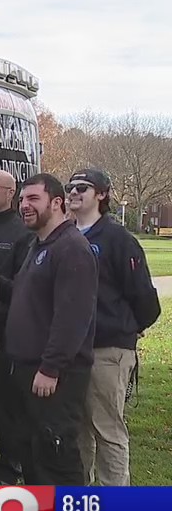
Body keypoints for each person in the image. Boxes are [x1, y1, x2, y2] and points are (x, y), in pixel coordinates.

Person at [67, 169, 161, 486]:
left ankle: (115, 508)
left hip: (107, 349)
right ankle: (82, 501)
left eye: (82, 187)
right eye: (70, 187)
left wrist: (126, 329)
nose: (74, 192)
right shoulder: (66, 235)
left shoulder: (118, 239)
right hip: (70, 350)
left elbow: (144, 297)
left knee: (107, 429)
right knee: (78, 429)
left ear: (102, 194)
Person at [5, 173, 99, 485]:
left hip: (52, 375)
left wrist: (51, 367)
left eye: (33, 199)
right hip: (25, 370)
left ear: (57, 203)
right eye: (21, 200)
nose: (24, 206)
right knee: (33, 453)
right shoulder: (39, 245)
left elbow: (72, 317)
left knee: (56, 453)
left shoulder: (72, 248)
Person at [0, 169, 34, 485]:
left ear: (9, 193)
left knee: (5, 406)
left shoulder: (21, 233)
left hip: (5, 334)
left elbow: (23, 290)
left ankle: (12, 467)